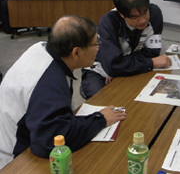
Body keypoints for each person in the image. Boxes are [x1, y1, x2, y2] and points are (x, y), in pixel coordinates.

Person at [0, 15, 126, 170]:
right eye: (96, 43)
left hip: (26, 134)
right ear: (76, 53)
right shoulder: (49, 82)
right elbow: (50, 142)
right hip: (17, 161)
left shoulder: (43, 49)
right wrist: (100, 119)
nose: (99, 48)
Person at [81, 0, 171, 99]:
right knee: (104, 101)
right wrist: (150, 63)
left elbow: (152, 52)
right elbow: (112, 66)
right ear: (122, 14)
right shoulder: (108, 22)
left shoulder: (154, 13)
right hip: (99, 70)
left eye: (145, 12)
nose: (143, 20)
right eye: (135, 17)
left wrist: (121, 69)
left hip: (127, 66)